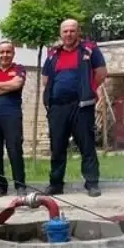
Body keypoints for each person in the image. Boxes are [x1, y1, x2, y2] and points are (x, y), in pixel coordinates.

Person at [41, 18, 106, 197]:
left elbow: (101, 73)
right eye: (65, 31)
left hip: (81, 106)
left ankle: (92, 183)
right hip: (57, 107)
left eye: (72, 31)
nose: (68, 34)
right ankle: (55, 184)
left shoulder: (90, 50)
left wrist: (89, 89)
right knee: (57, 146)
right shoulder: (53, 53)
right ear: (60, 34)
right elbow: (45, 79)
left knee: (87, 145)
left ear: (78, 32)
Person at [0, 41, 27, 197]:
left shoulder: (19, 69)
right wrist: (7, 86)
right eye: (1, 52)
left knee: (15, 150)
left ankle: (20, 185)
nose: (5, 55)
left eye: (8, 52)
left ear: (13, 54)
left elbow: (17, 84)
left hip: (12, 115)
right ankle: (0, 185)